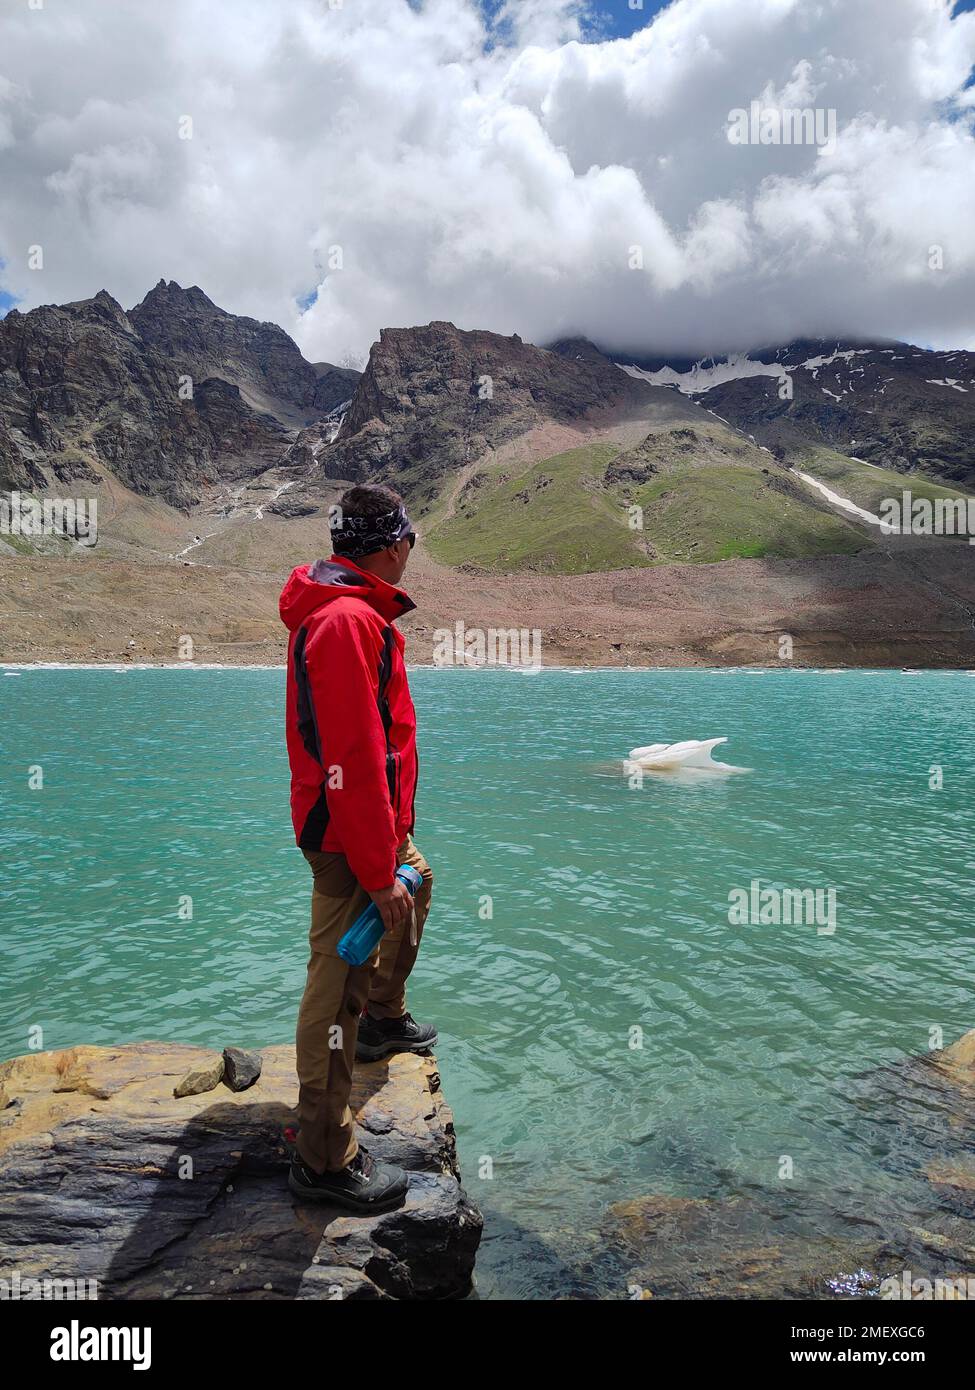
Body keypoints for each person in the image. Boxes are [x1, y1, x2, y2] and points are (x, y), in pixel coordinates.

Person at [279, 483, 437, 1211]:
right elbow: (352, 753)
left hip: (367, 825)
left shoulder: (352, 612)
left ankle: (382, 1017)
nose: (412, 553)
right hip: (348, 837)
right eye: (410, 540)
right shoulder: (346, 622)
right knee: (333, 984)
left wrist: (395, 853)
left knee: (419, 882)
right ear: (393, 544)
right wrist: (377, 871)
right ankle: (323, 1158)